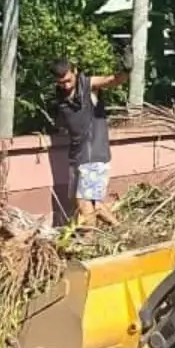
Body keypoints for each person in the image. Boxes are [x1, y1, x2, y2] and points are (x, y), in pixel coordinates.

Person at [52, 55, 130, 226]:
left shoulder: (88, 85)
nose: (66, 85)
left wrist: (125, 71)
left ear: (75, 71)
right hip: (77, 157)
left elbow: (113, 81)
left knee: (84, 203)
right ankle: (121, 230)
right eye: (61, 82)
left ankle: (90, 244)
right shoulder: (61, 96)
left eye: (68, 80)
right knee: (93, 203)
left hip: (94, 155)